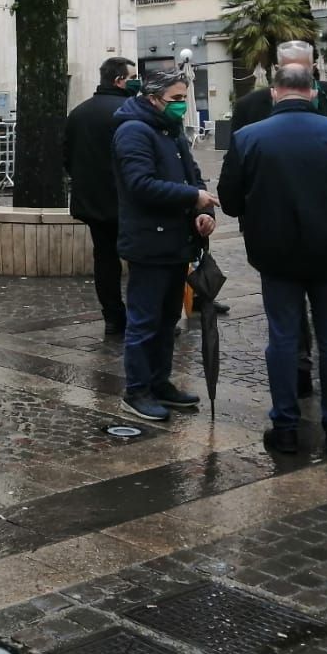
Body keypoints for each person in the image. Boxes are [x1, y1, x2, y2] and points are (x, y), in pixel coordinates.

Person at [219, 62, 327, 456]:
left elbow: (230, 199)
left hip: (276, 254)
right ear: (312, 91)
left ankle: (286, 427)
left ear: (274, 91)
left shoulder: (247, 137)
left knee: (283, 339)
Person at [111, 68, 216, 421]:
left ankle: (159, 382)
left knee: (169, 317)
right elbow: (140, 184)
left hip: (177, 240)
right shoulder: (133, 132)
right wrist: (193, 196)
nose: (181, 105)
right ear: (153, 98)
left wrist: (200, 212)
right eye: (175, 99)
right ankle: (136, 390)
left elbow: (193, 174)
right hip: (148, 243)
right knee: (145, 321)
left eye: (184, 98)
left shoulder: (171, 131)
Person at [64, 57, 137, 338]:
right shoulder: (130, 111)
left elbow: (67, 158)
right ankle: (143, 315)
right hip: (128, 201)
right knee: (139, 260)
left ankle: (112, 317)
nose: (137, 82)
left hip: (92, 201)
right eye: (133, 77)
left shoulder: (78, 113)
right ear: (120, 80)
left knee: (104, 259)